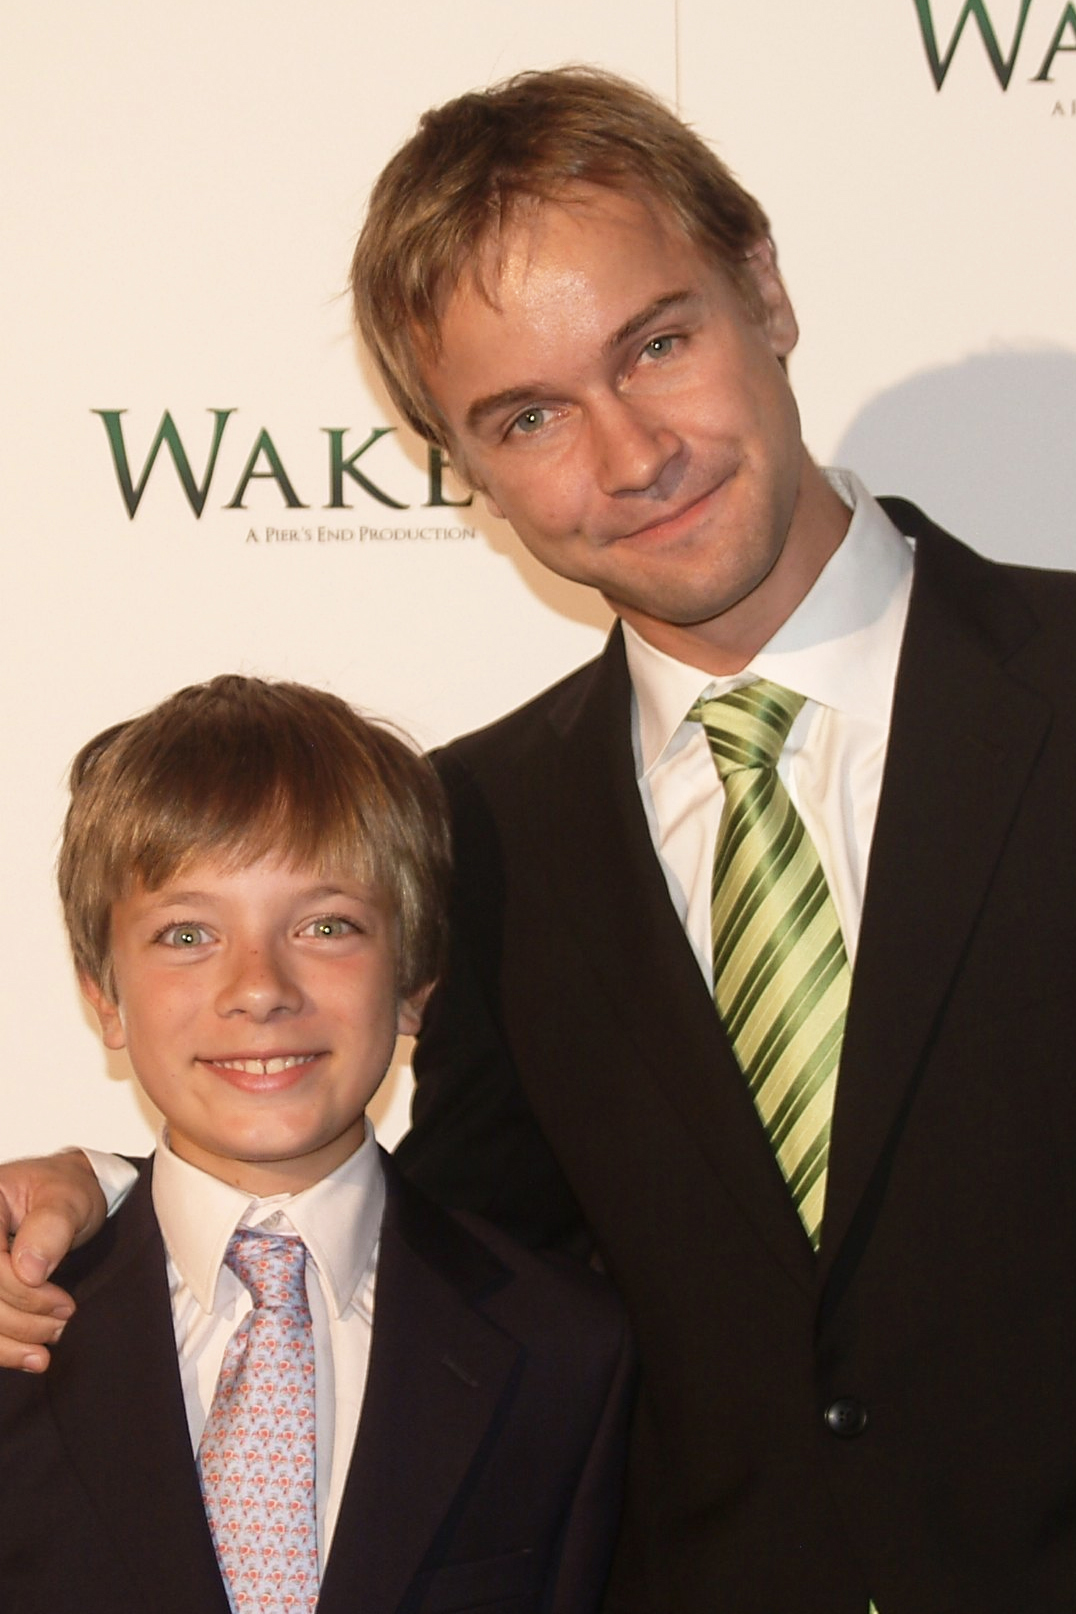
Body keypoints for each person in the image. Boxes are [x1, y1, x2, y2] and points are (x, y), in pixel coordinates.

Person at [3, 65, 1076, 1612]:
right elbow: (449, 1260)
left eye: (656, 343)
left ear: (763, 287)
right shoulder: (475, 828)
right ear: (468, 466)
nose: (630, 454)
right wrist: (108, 1192)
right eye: (530, 415)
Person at [0, 674, 631, 1614]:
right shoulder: (23, 1314)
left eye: (327, 925)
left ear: (417, 981)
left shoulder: (570, 1348)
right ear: (104, 998)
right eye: (186, 933)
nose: (260, 987)